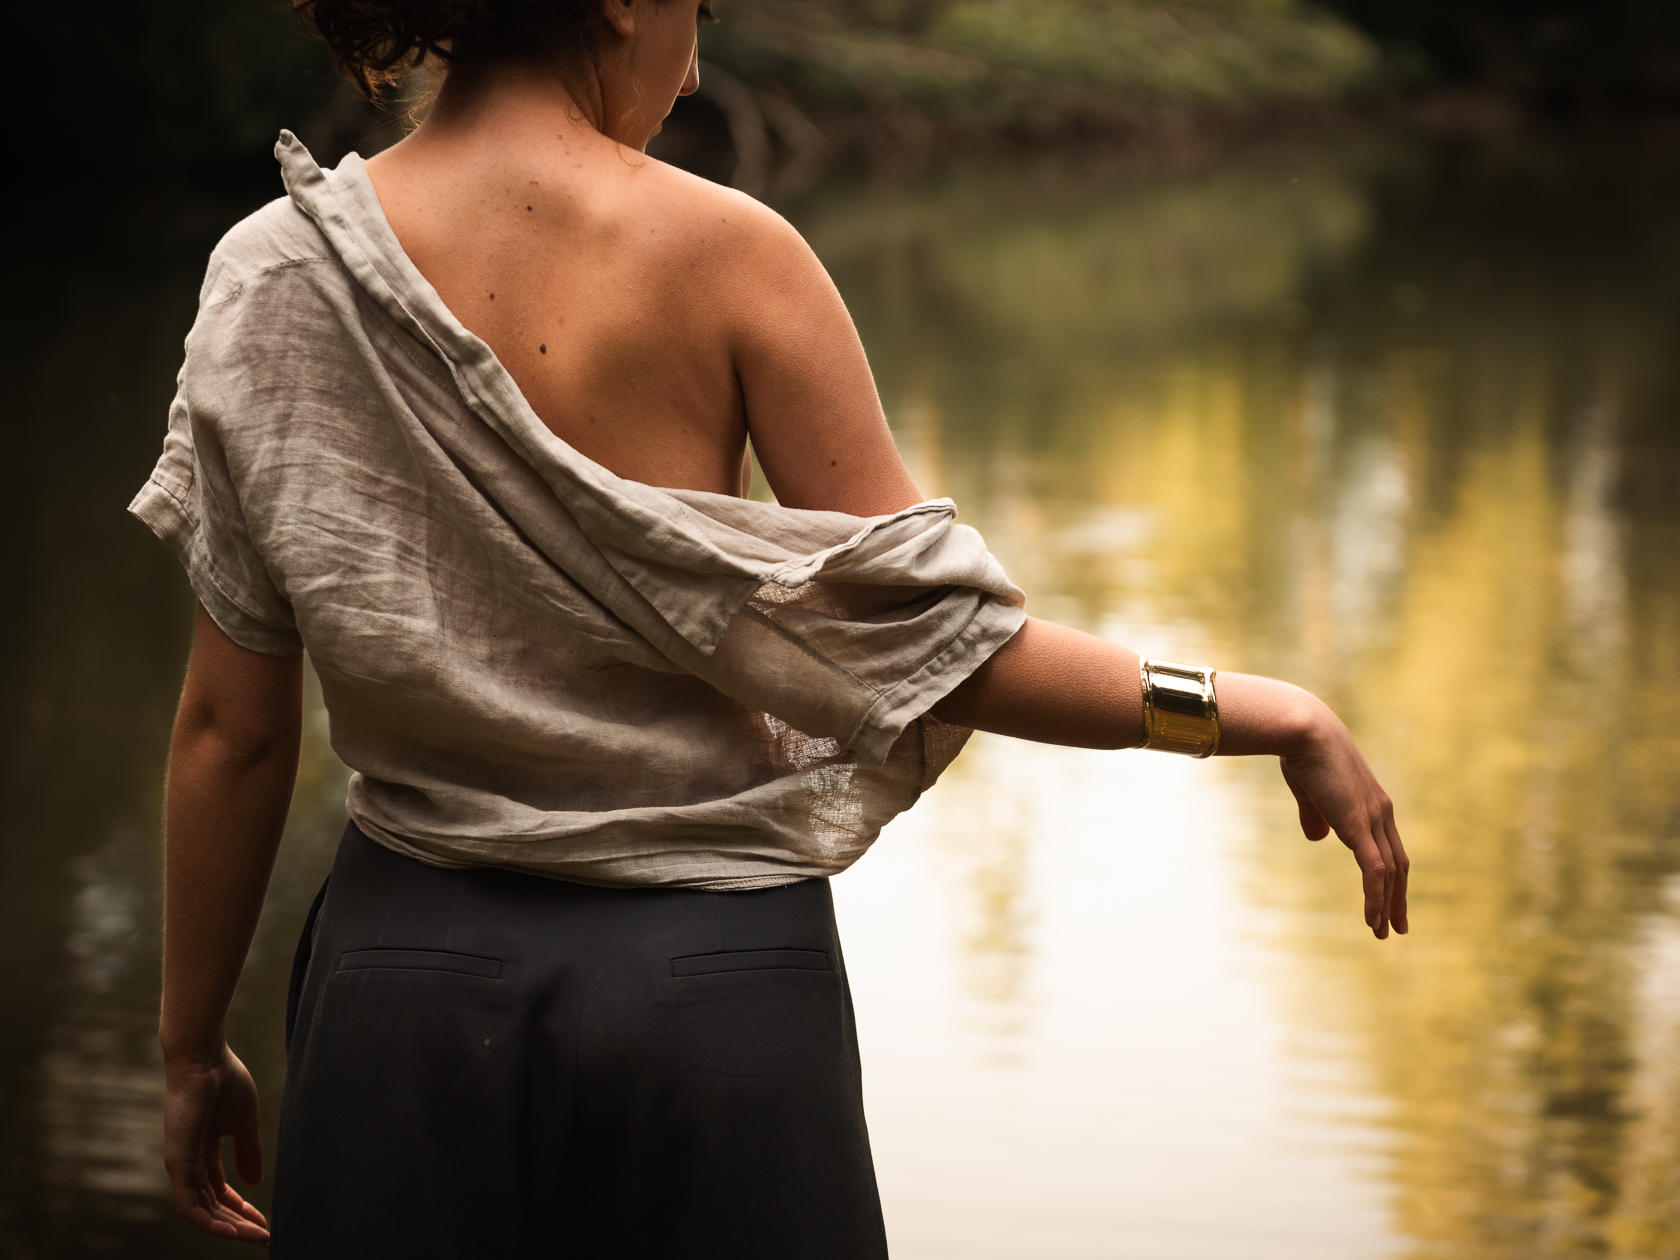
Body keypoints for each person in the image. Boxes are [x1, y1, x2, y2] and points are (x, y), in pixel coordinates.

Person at [139, 0, 1408, 1254]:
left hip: (404, 980)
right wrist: (1261, 711)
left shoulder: (275, 273)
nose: (694, 74)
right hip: (713, 984)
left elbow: (230, 733)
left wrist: (190, 1046)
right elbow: (946, 652)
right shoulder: (730, 254)